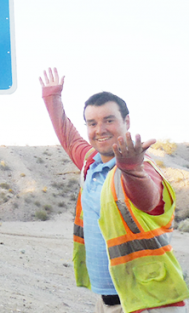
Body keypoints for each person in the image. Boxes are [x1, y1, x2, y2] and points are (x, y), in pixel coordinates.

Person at [39, 67, 189, 313]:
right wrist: (52, 97)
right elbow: (68, 137)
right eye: (92, 123)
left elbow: (148, 200)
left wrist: (132, 170)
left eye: (109, 120)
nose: (100, 130)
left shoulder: (144, 169)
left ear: (126, 122)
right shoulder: (91, 162)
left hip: (149, 303)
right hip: (109, 301)